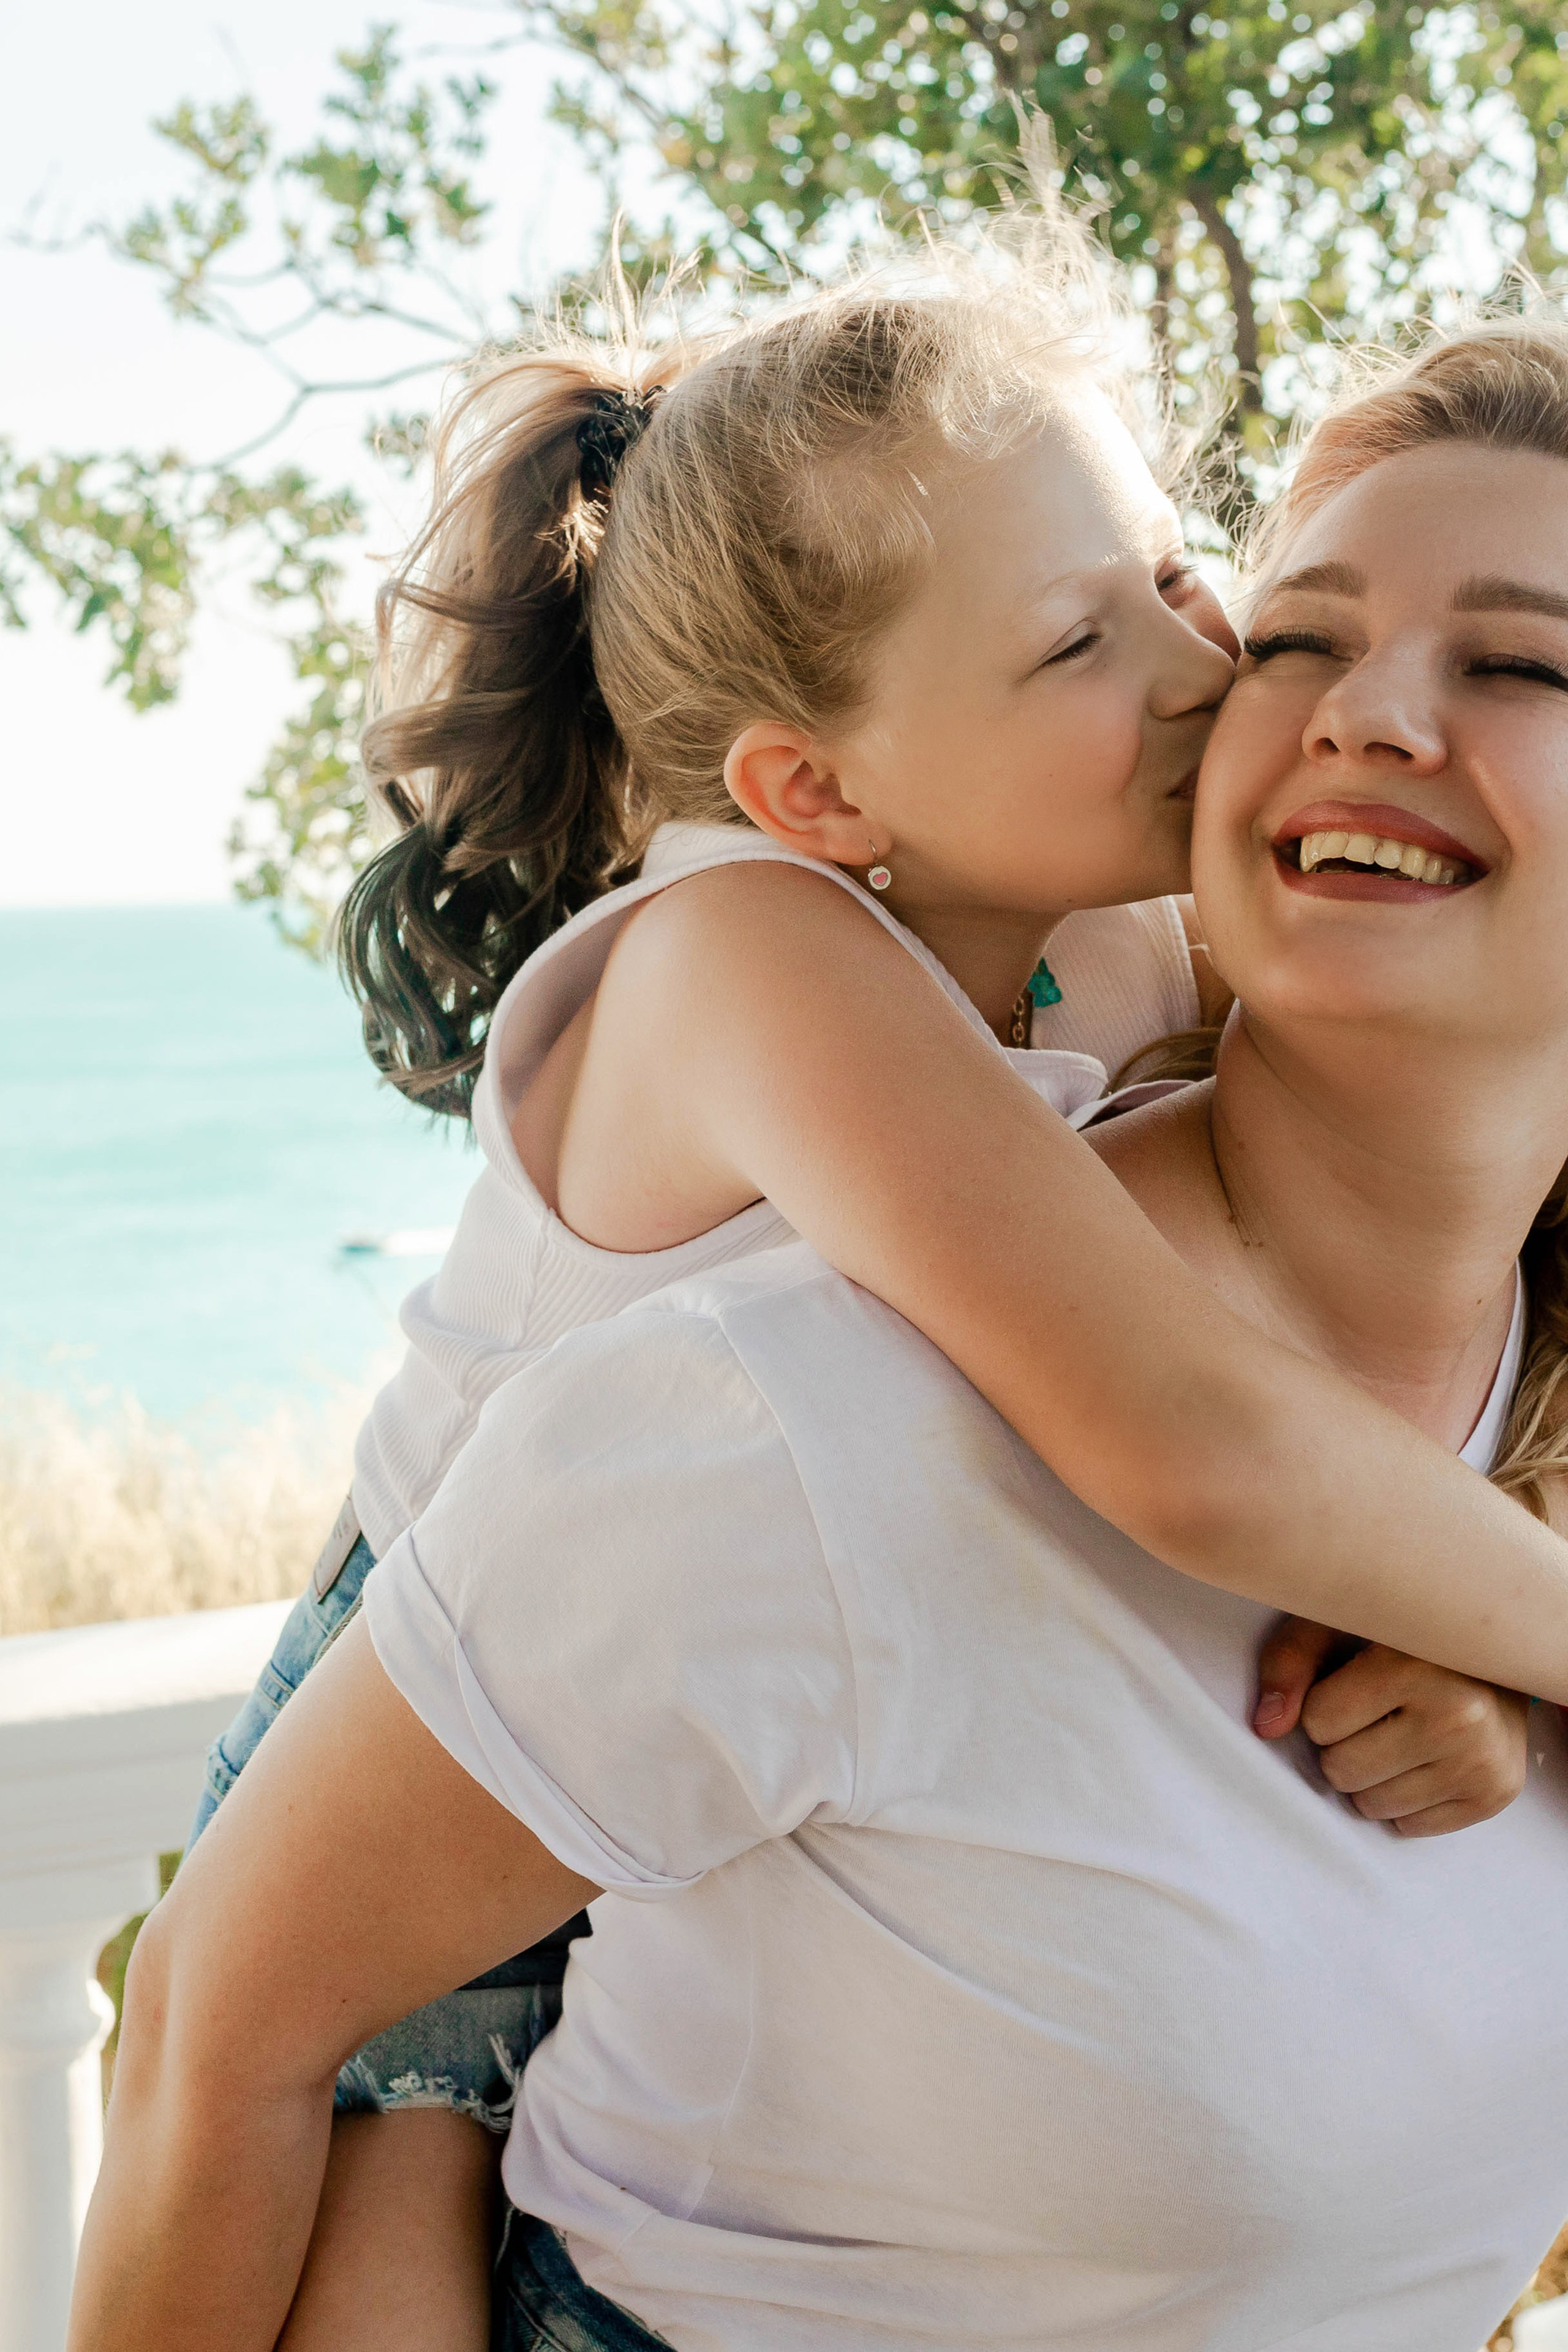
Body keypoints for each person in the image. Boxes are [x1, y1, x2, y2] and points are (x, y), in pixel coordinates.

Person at [74, 314, 1568, 2352]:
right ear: (815, 786)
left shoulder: (1120, 957)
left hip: (614, 1697)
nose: (1218, 674)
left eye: (1180, 584)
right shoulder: (752, 955)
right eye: (1087, 645)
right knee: (391, 2159)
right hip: (440, 1633)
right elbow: (1186, 1435)